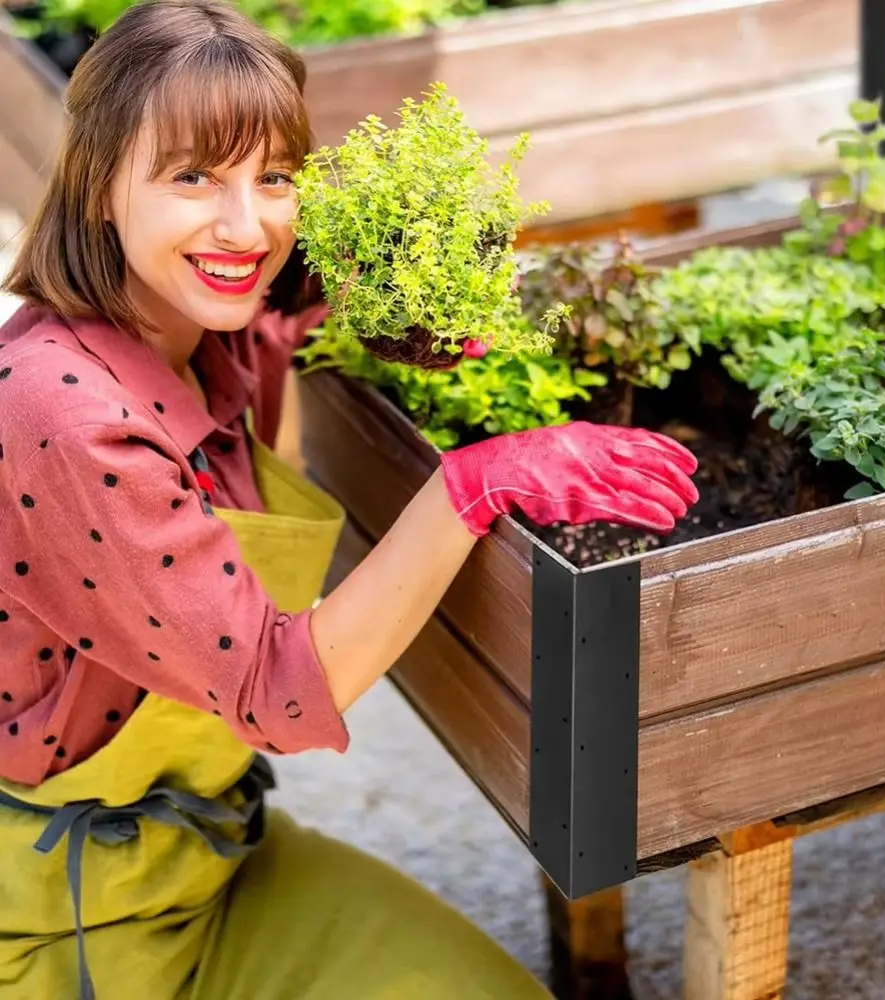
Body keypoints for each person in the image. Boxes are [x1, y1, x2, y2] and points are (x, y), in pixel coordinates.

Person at [0, 1, 699, 997]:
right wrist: (472, 480)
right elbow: (279, 689)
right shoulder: (64, 415)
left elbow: (299, 310)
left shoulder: (202, 323)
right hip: (70, 930)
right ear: (100, 185)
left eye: (273, 175)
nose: (247, 225)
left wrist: (415, 304)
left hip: (213, 865)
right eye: (193, 175)